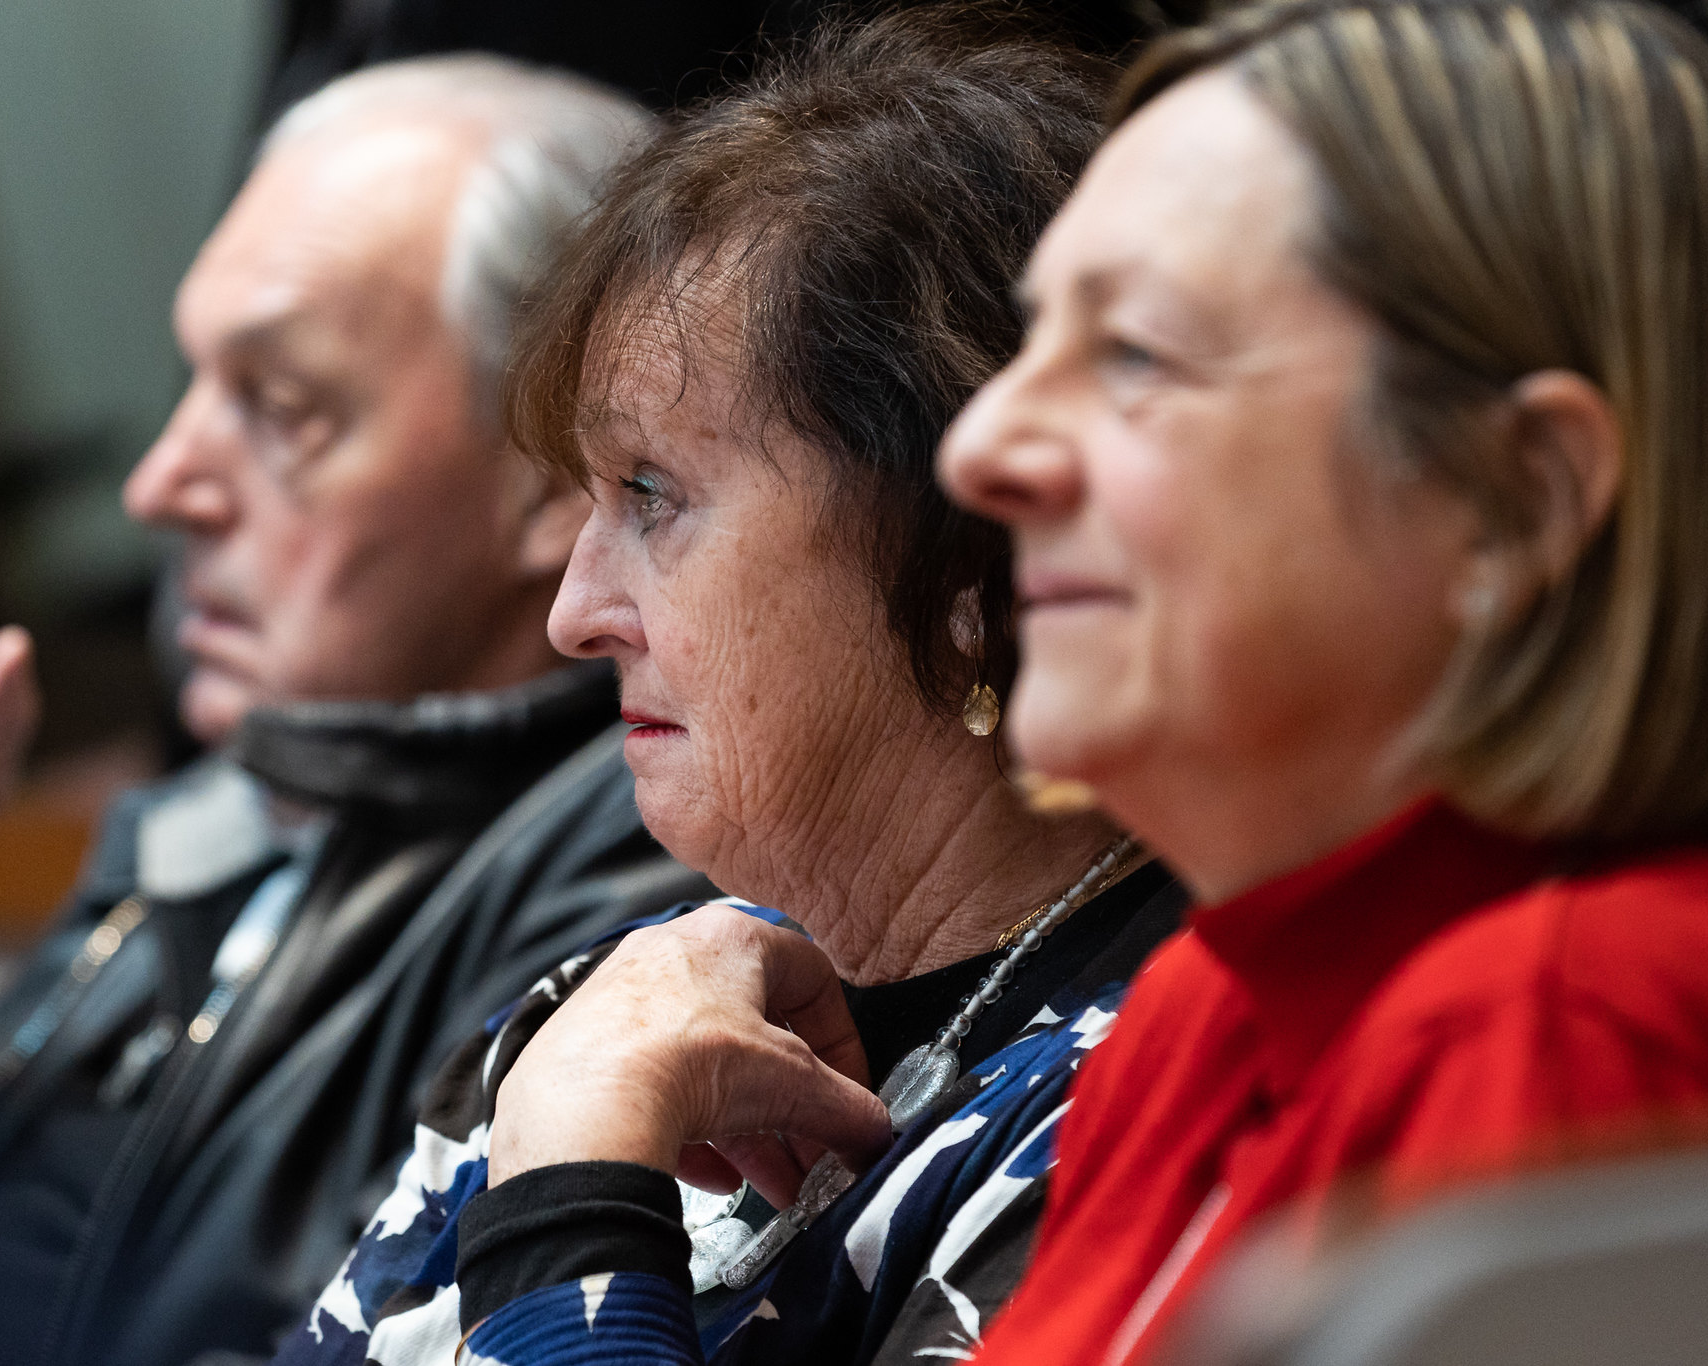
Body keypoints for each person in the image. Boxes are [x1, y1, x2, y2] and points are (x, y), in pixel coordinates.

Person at [0, 58, 712, 1366]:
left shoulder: (638, 880)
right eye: (191, 383)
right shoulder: (238, 799)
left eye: (281, 407)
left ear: (556, 478)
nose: (161, 483)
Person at [273, 13, 1185, 1366]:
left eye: (653, 494)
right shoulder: (623, 1006)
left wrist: (572, 1197)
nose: (574, 615)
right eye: (589, 499)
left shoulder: (1146, 1111)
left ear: (968, 562)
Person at [928, 2, 1708, 1363]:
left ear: (1514, 499)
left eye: (1133, 353)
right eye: (1032, 346)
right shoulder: (1201, 1009)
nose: (981, 448)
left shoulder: (1573, 1013)